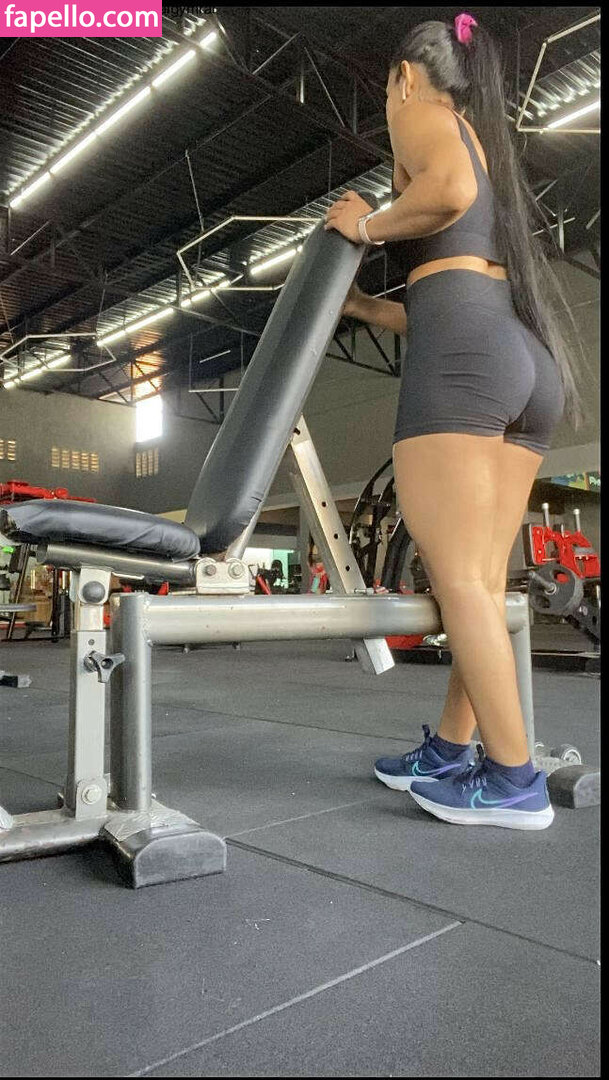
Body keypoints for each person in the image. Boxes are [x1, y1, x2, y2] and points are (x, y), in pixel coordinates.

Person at [324, 13, 581, 830]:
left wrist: (364, 226)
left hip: (468, 363)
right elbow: (446, 286)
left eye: (386, 93)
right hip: (516, 357)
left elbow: (447, 196)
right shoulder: (478, 140)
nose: (387, 109)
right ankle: (450, 749)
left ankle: (512, 778)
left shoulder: (426, 117)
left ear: (405, 78)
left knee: (461, 582)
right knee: (480, 583)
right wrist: (365, 306)